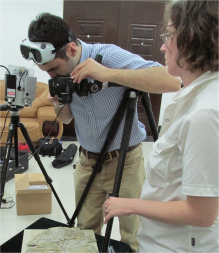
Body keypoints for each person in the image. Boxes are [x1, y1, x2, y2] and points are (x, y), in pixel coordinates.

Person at [21, 13, 181, 252]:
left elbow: (172, 81)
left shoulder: (108, 56)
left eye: (54, 69)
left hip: (126, 160)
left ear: (72, 50)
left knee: (133, 233)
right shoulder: (59, 76)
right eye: (47, 72)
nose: (51, 77)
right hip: (87, 161)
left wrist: (108, 74)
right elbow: (66, 118)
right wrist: (59, 102)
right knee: (85, 231)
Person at [72, 0, 219, 252]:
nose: (162, 45)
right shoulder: (194, 96)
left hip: (176, 245)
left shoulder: (205, 113)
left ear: (191, 37)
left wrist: (130, 205)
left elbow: (203, 214)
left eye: (169, 35)